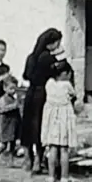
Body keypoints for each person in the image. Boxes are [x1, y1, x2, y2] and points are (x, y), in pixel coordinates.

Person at [21, 28, 63, 174]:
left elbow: (25, 76)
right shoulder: (48, 58)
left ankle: (28, 158)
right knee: (40, 125)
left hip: (30, 93)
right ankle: (38, 160)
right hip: (43, 93)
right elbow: (57, 75)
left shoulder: (31, 57)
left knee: (28, 126)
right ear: (51, 43)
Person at [41, 60, 80, 182]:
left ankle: (51, 176)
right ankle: (64, 176)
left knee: (52, 148)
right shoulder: (67, 85)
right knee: (64, 149)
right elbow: (73, 95)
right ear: (64, 74)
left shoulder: (49, 83)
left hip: (52, 118)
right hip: (64, 118)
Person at [0, 75, 22, 170]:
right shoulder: (2, 99)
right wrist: (14, 106)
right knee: (3, 144)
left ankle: (11, 161)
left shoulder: (14, 98)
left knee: (13, 143)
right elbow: (1, 109)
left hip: (13, 123)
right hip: (5, 124)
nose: (13, 91)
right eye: (11, 88)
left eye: (15, 89)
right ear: (5, 88)